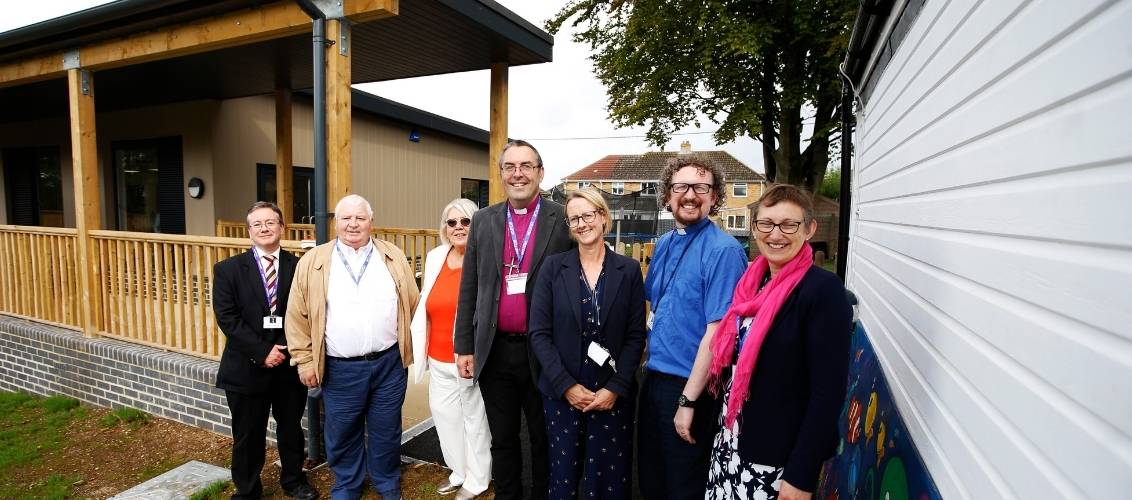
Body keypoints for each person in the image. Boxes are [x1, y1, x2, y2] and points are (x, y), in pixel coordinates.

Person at [696, 184, 852, 499]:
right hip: (732, 442)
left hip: (776, 459)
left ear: (809, 229)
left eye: (788, 224)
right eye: (766, 224)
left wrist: (800, 477)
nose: (775, 234)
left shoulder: (823, 292)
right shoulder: (753, 282)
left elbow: (827, 394)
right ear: (754, 229)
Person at [452, 140, 575, 500]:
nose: (517, 173)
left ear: (540, 172)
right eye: (510, 166)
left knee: (544, 437)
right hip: (495, 351)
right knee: (502, 438)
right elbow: (469, 285)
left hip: (545, 353)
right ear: (501, 173)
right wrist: (464, 346)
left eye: (526, 165)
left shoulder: (561, 218)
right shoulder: (483, 220)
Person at [285, 194, 420, 500]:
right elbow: (296, 315)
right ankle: (348, 484)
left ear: (371, 222)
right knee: (343, 431)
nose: (353, 224)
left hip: (389, 364)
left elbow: (412, 301)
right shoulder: (314, 261)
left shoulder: (392, 255)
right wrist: (304, 360)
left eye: (360, 218)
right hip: (340, 368)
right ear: (336, 223)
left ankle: (387, 481)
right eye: (346, 218)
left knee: (386, 429)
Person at [637, 154, 748, 500]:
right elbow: (653, 307)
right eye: (681, 186)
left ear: (715, 197)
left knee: (683, 485)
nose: (689, 194)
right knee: (651, 478)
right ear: (667, 196)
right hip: (654, 378)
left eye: (701, 187)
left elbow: (717, 334)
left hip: (690, 386)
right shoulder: (667, 243)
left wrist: (688, 401)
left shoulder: (724, 251)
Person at [528, 188, 646, 499]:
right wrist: (565, 385)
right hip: (562, 395)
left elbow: (636, 336)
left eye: (588, 215)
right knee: (563, 478)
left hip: (611, 397)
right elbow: (539, 333)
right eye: (574, 218)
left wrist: (615, 388)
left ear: (603, 217)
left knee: (609, 481)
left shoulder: (629, 270)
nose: (582, 224)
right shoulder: (554, 269)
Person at [213, 201, 317, 500]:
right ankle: (247, 490)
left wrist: (295, 352)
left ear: (282, 228)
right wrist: (261, 351)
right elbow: (228, 319)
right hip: (246, 367)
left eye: (270, 222)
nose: (264, 228)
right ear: (249, 231)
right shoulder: (228, 270)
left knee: (290, 430)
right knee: (247, 435)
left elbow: (307, 312)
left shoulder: (299, 267)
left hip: (288, 365)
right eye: (257, 224)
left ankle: (295, 481)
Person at [409, 198, 491, 500]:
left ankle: (479, 478)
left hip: (468, 357)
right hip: (437, 356)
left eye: (465, 221)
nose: (458, 227)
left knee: (474, 420)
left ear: (476, 224)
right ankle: (458, 471)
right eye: (452, 222)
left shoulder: (485, 258)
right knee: (445, 419)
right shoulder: (435, 257)